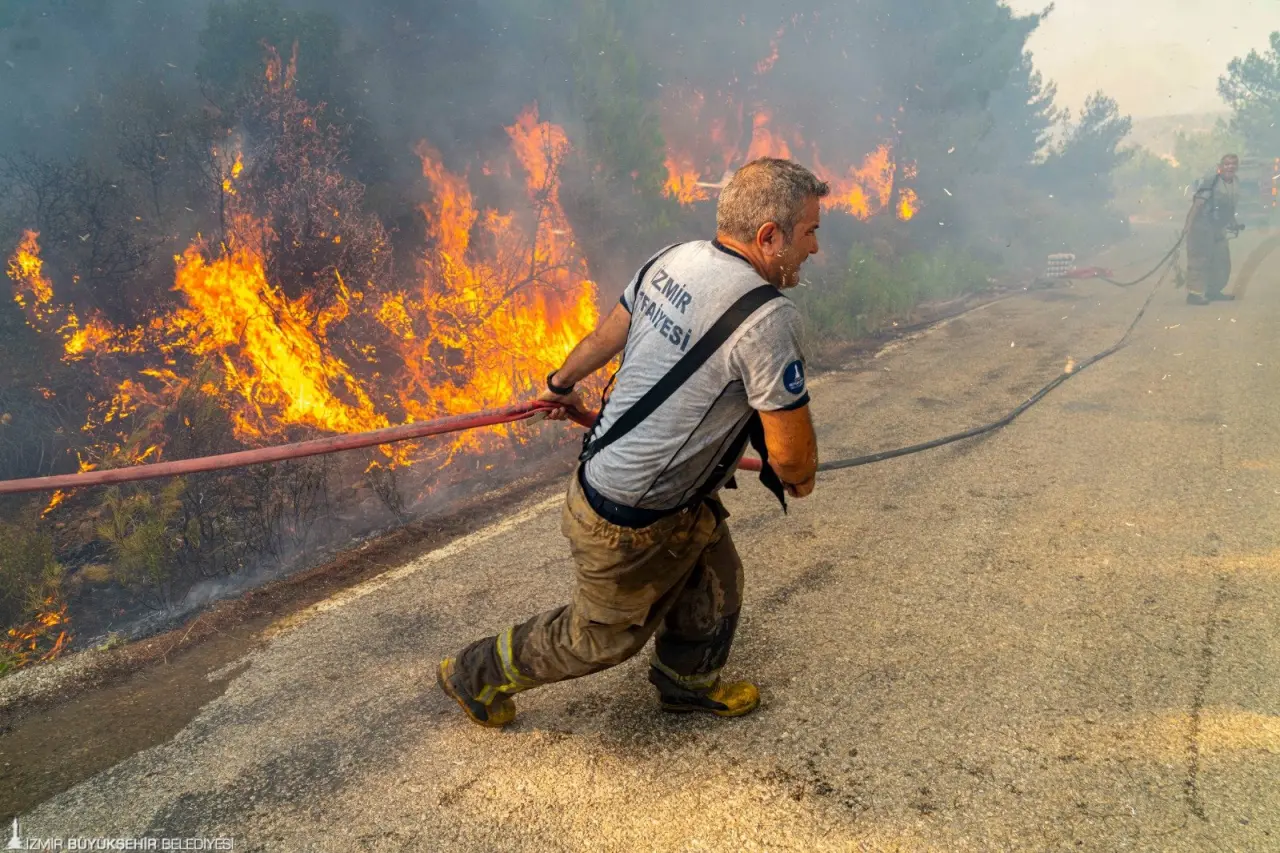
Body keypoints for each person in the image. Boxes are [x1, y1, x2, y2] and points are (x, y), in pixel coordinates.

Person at [437, 157, 825, 727]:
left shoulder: (672, 259)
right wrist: (799, 478)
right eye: (810, 232)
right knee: (599, 638)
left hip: (632, 485)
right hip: (630, 518)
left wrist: (559, 385)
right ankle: (475, 672)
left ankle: (686, 683)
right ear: (769, 236)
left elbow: (605, 337)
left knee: (715, 576)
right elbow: (791, 458)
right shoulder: (769, 319)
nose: (814, 248)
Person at [1184, 154, 1244, 305]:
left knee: (1221, 260)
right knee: (1200, 259)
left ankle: (1213, 291)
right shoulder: (1211, 182)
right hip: (1202, 225)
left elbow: (1229, 206)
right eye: (1227, 164)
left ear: (1237, 167)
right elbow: (1197, 204)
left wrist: (1233, 222)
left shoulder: (1236, 183)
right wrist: (1188, 226)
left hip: (1218, 227)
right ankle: (1195, 294)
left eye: (1233, 164)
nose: (1230, 167)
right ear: (1220, 167)